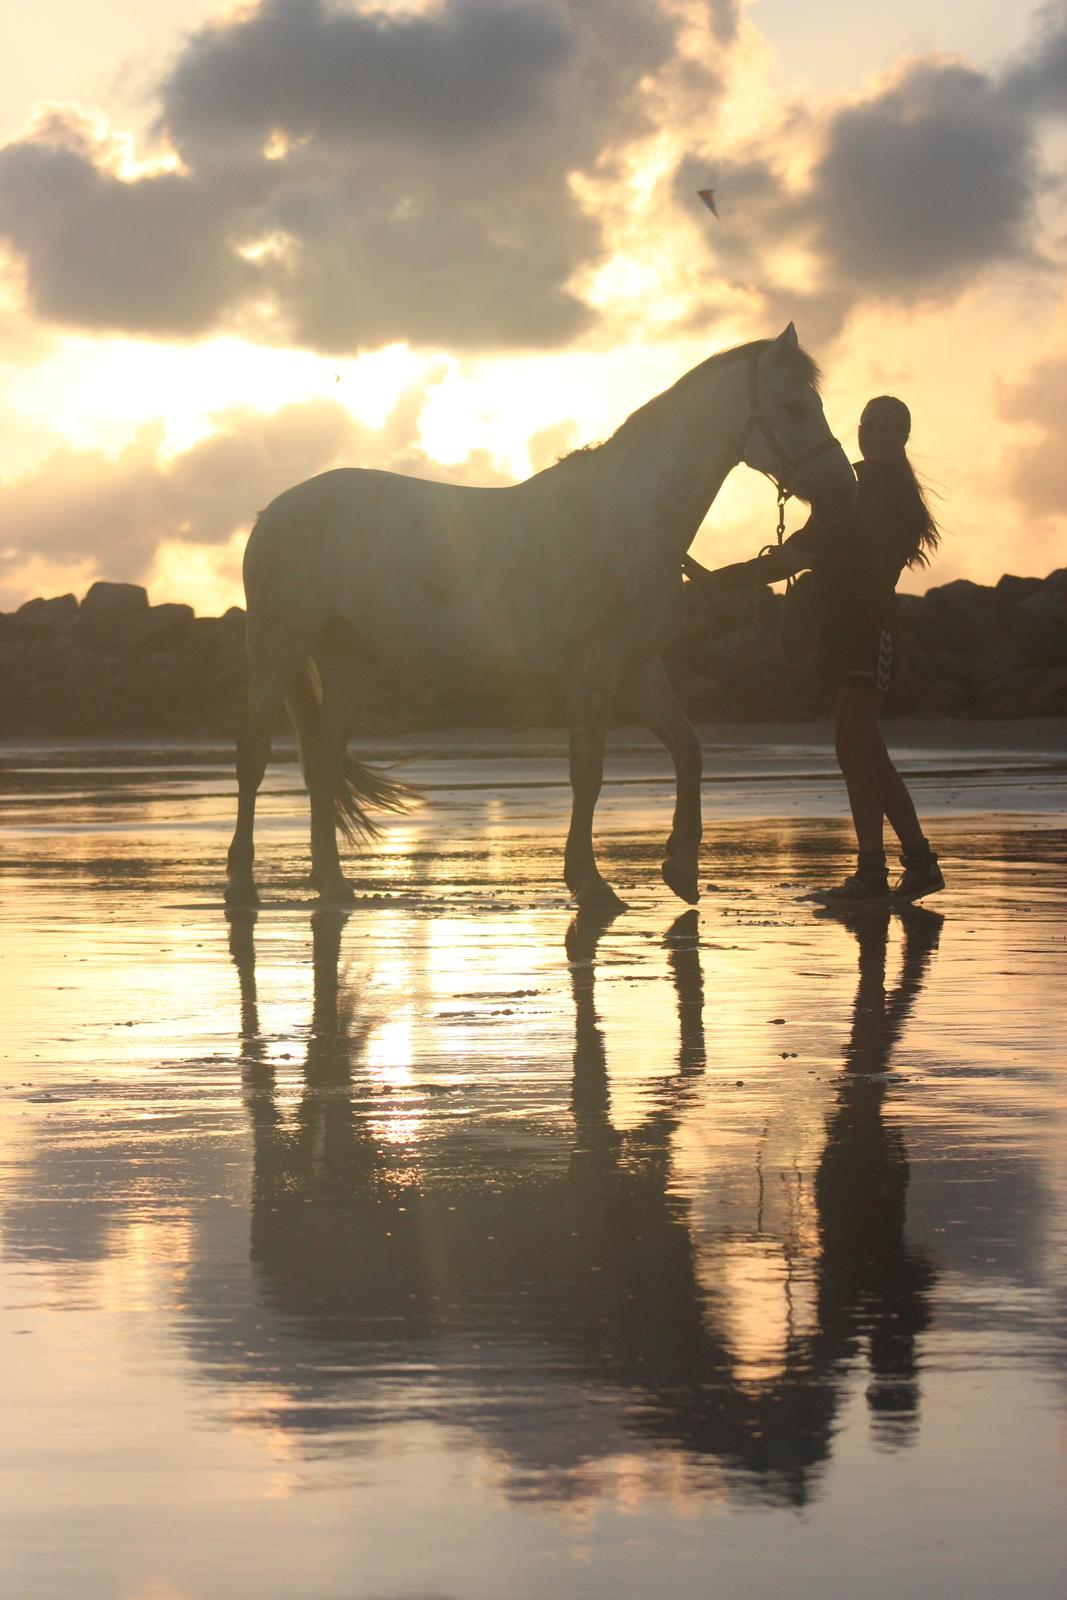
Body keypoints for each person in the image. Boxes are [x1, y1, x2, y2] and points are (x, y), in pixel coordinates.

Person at [687, 395, 945, 904]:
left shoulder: (890, 497)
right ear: (859, 429)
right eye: (869, 426)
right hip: (841, 633)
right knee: (869, 752)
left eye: (888, 430)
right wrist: (718, 582)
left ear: (903, 438)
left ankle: (872, 873)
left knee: (854, 750)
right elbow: (794, 556)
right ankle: (920, 864)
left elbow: (833, 556)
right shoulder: (846, 488)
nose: (875, 436)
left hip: (870, 632)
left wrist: (744, 575)